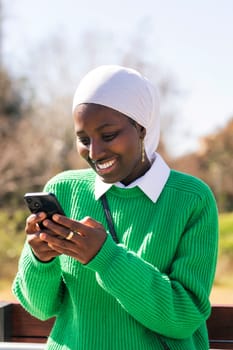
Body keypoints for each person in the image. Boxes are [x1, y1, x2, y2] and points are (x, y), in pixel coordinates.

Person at [13, 65, 218, 350]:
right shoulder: (63, 190)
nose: (94, 153)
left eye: (108, 136)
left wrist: (106, 257)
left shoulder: (191, 199)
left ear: (142, 127)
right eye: (84, 140)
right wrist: (40, 259)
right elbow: (40, 308)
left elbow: (183, 316)